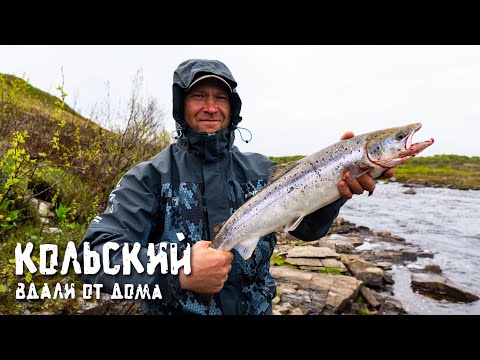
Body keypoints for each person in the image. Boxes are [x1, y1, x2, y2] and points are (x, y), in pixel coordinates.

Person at [77, 59, 394, 315]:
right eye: (199, 96)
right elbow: (94, 258)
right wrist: (178, 271)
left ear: (233, 106)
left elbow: (305, 231)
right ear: (181, 105)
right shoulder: (148, 177)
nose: (211, 107)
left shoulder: (262, 170)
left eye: (221, 97)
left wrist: (333, 192)